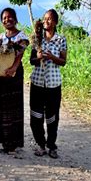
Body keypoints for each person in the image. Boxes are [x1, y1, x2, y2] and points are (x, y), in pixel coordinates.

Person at [0, 7, 29, 155]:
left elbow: (20, 55)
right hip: (0, 75)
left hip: (14, 76)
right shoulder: (0, 37)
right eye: (4, 18)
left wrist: (14, 68)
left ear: (15, 19)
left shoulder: (21, 36)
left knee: (13, 108)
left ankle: (11, 145)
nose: (7, 20)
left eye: (10, 17)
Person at [29, 8, 67, 159]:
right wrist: (38, 57)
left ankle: (51, 146)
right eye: (45, 18)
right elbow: (31, 61)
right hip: (37, 82)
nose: (46, 21)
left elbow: (63, 62)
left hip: (53, 84)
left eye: (50, 19)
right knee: (36, 116)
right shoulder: (37, 39)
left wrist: (52, 57)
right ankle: (40, 144)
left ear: (56, 22)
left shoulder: (61, 39)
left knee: (52, 117)